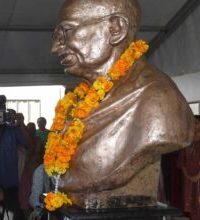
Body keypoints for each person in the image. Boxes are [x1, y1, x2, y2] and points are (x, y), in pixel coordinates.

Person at [50, 0, 193, 209]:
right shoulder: (80, 101)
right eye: (56, 36)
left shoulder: (159, 100)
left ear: (116, 29)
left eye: (67, 31)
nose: (56, 47)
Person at [177, 115, 200, 220]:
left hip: (198, 178)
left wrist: (197, 176)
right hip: (188, 180)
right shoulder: (187, 141)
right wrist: (188, 176)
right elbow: (181, 161)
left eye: (196, 123)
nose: (194, 126)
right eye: (192, 123)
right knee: (191, 206)